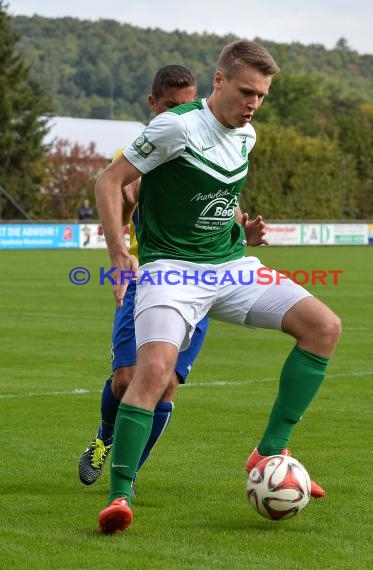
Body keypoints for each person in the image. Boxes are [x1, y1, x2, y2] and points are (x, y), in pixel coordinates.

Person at [94, 40, 341, 534]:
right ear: (220, 81)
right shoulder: (176, 125)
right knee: (154, 372)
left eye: (262, 96)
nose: (253, 103)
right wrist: (120, 253)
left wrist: (237, 233)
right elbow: (107, 180)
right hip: (170, 272)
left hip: (229, 266)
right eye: (247, 91)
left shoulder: (247, 136)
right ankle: (120, 496)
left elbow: (212, 198)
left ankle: (270, 449)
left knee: (324, 327)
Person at [79, 64, 267, 491]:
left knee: (165, 387)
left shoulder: (208, 136)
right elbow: (117, 204)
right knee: (127, 378)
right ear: (153, 105)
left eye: (184, 106)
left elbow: (216, 205)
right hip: (151, 279)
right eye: (168, 107)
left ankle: (129, 470)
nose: (176, 114)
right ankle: (105, 440)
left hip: (201, 279)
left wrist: (242, 228)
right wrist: (121, 242)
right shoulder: (141, 152)